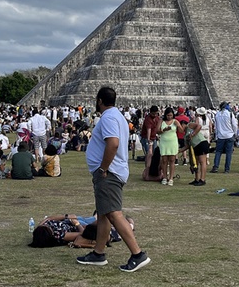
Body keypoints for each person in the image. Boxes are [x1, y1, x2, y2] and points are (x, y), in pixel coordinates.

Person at [76, 86, 149, 273]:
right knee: (103, 213)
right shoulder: (118, 117)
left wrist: (103, 168)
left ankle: (137, 254)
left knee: (114, 213)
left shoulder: (108, 117)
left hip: (109, 172)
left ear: (100, 100)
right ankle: (98, 253)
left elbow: (113, 143)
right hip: (114, 170)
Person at [183, 109, 210, 186]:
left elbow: (199, 126)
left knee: (202, 162)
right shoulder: (185, 136)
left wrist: (193, 134)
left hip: (201, 143)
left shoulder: (190, 125)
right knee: (196, 163)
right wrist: (178, 151)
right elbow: (187, 146)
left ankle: (202, 179)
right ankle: (197, 178)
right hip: (196, 146)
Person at [211, 102, 238, 173]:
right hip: (229, 135)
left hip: (220, 136)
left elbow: (216, 127)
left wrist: (216, 135)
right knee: (228, 153)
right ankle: (227, 169)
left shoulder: (217, 114)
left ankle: (215, 167)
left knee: (218, 152)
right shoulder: (230, 114)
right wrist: (235, 133)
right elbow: (234, 125)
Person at [156, 108, 180, 186]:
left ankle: (171, 178)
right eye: (168, 115)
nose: (169, 117)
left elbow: (181, 131)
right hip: (164, 142)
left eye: (171, 115)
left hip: (172, 142)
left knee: (172, 160)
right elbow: (157, 131)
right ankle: (165, 177)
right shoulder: (161, 121)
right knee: (164, 160)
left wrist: (178, 125)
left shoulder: (175, 121)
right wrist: (164, 130)